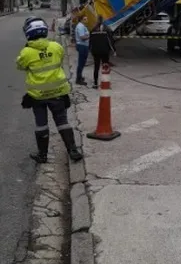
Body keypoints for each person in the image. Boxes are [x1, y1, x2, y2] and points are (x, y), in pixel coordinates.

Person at [16, 17, 83, 164]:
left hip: (37, 96)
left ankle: (43, 155)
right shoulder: (56, 46)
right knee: (62, 122)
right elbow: (59, 61)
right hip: (58, 93)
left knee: (41, 124)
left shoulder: (26, 52)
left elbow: (20, 66)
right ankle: (73, 150)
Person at [90, 15, 116, 89]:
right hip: (105, 51)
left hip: (96, 51)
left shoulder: (93, 29)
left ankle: (95, 83)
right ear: (103, 20)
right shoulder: (107, 29)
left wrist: (91, 50)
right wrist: (114, 50)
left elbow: (90, 41)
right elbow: (110, 41)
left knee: (96, 67)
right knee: (105, 67)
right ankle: (106, 83)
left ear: (97, 20)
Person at [75, 15, 90, 85]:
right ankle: (78, 79)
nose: (86, 20)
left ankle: (80, 76)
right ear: (81, 20)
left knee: (83, 62)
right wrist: (90, 36)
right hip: (82, 45)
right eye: (85, 19)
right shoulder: (80, 26)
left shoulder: (83, 26)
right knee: (81, 63)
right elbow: (82, 37)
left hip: (84, 45)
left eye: (86, 19)